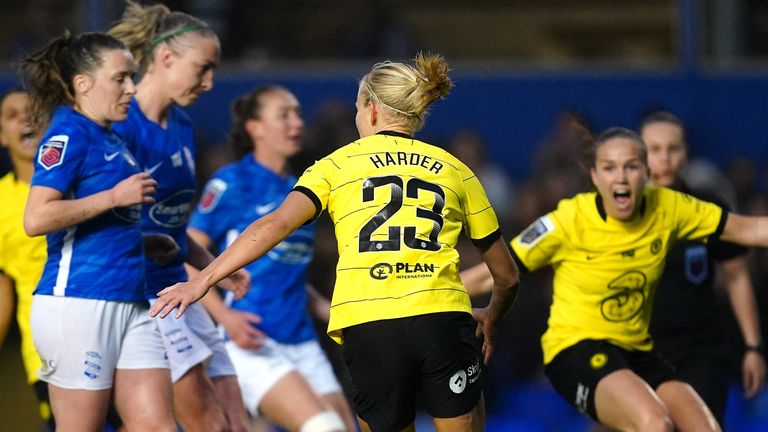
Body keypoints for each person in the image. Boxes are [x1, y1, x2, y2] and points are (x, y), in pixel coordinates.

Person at [151, 52, 520, 432]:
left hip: (368, 324)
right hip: (442, 318)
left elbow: (274, 225)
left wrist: (202, 280)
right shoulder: (456, 169)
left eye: (358, 106)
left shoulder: (335, 166)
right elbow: (506, 275)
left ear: (372, 110)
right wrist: (492, 315)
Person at [461, 126, 768, 431]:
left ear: (646, 173)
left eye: (631, 167)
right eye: (609, 168)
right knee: (656, 424)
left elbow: (749, 230)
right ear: (595, 177)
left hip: (636, 351)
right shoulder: (570, 220)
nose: (620, 177)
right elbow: (496, 272)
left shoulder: (670, 208)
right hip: (575, 349)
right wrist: (431, 288)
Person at [19, 31, 176, 432]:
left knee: (158, 426)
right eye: (120, 78)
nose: (132, 87)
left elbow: (97, 220)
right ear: (83, 85)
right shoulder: (68, 134)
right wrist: (113, 197)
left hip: (132, 298)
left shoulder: (111, 137)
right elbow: (36, 218)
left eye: (132, 77)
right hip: (79, 301)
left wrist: (140, 242)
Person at [108, 2, 250, 431]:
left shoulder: (183, 125)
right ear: (166, 57)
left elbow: (168, 224)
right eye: (202, 68)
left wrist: (214, 269)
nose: (209, 83)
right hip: (144, 294)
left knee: (234, 419)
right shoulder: (120, 124)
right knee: (205, 420)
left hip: (181, 288)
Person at [187, 85, 356, 432]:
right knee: (324, 428)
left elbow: (287, 268)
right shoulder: (232, 183)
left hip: (302, 339)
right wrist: (226, 320)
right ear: (255, 127)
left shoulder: (301, 187)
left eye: (298, 113)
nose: (297, 123)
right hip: (252, 338)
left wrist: (326, 308)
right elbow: (187, 253)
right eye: (284, 115)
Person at [641, 111, 766, 425]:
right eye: (655, 149)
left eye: (673, 148)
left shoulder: (706, 208)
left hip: (699, 352)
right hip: (636, 352)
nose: (665, 158)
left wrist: (753, 345)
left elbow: (736, 275)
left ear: (686, 152)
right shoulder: (619, 214)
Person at [0, 89, 51, 428]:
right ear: (2, 136)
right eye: (12, 114)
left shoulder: (85, 185)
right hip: (44, 350)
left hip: (111, 327)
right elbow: (3, 284)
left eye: (33, 110)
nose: (25, 117)